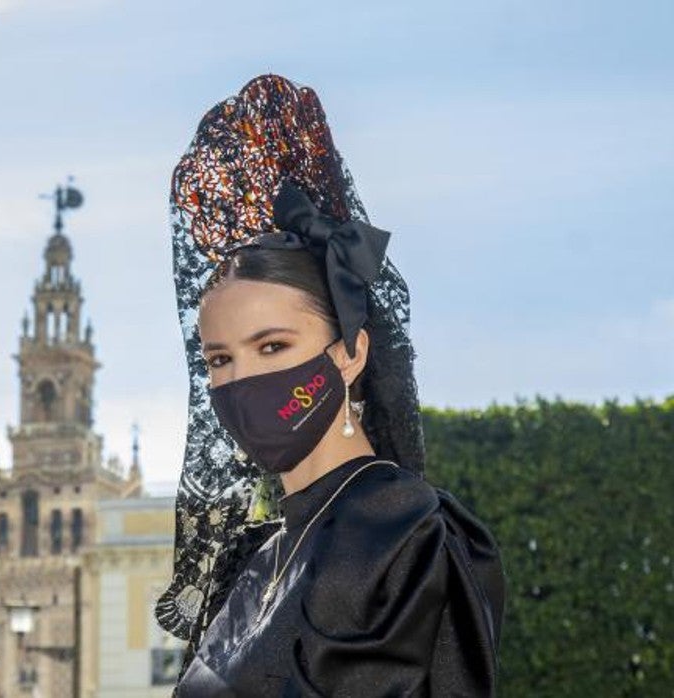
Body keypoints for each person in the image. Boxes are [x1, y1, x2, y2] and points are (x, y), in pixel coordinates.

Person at [154, 74, 505, 696]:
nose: (243, 380)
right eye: (218, 360)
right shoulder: (255, 557)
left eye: (273, 346)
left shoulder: (402, 531)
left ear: (349, 353)